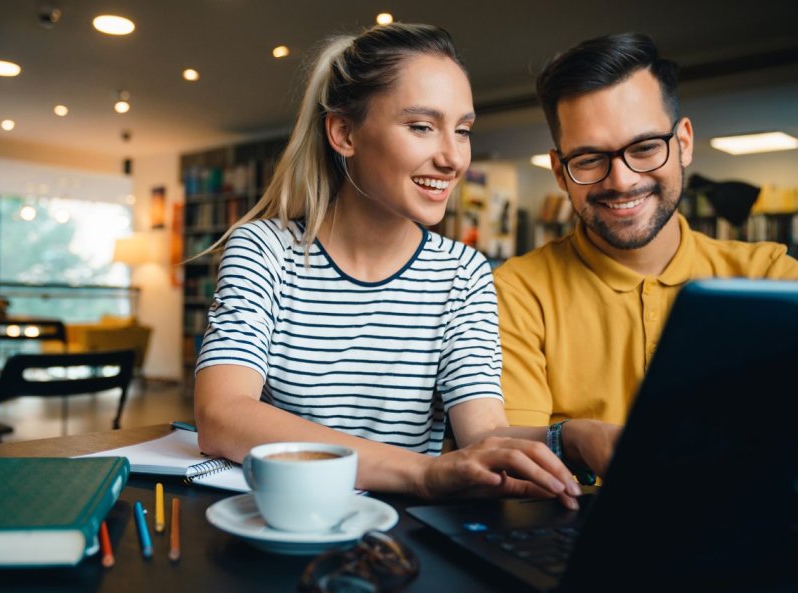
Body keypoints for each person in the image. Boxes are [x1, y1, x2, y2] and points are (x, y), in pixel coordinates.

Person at [194, 23, 615, 506]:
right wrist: (424, 473)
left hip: (398, 539)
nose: (453, 158)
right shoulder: (264, 250)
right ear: (344, 132)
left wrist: (575, 439)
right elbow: (222, 415)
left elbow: (484, 436)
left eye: (462, 131)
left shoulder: (464, 272)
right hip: (281, 518)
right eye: (421, 126)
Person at [494, 33, 798, 429]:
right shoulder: (517, 293)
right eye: (589, 159)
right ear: (559, 172)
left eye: (645, 148)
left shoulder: (771, 278)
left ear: (684, 142)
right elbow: (511, 459)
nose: (621, 181)